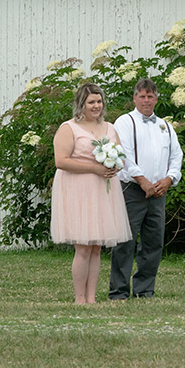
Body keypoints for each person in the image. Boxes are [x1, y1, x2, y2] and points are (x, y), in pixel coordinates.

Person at [50, 83, 132, 304]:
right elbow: (61, 161)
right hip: (79, 191)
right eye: (91, 102)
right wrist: (95, 168)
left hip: (103, 191)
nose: (97, 106)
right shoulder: (69, 128)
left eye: (99, 101)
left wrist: (114, 164)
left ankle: (92, 297)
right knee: (84, 247)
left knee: (96, 248)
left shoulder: (109, 127)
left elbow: (121, 157)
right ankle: (79, 298)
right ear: (81, 104)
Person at [109, 79, 183, 300]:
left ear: (156, 99)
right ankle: (119, 291)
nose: (146, 100)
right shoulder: (124, 122)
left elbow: (176, 155)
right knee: (125, 242)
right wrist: (142, 180)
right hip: (132, 190)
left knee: (153, 242)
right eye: (142, 96)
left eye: (150, 96)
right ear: (134, 98)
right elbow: (123, 155)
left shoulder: (165, 126)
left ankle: (144, 289)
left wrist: (169, 179)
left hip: (159, 193)